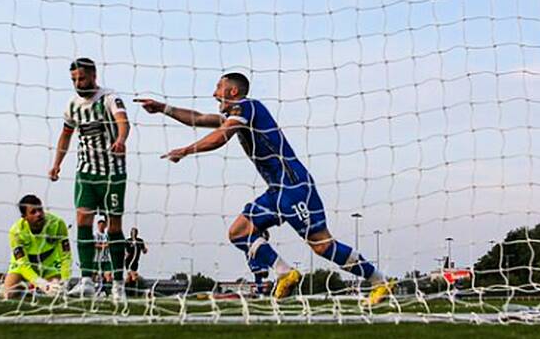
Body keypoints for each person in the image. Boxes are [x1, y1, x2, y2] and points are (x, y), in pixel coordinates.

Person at [135, 72, 393, 304]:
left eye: (218, 87)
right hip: (277, 190)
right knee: (239, 232)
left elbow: (221, 136)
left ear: (232, 91)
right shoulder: (237, 113)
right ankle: (284, 272)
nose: (214, 93)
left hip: (294, 186)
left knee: (322, 246)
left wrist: (186, 150)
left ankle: (380, 281)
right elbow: (200, 118)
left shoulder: (247, 107)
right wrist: (164, 108)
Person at [48, 58, 130, 303]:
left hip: (112, 174)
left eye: (81, 78)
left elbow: (123, 123)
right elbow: (65, 136)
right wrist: (56, 164)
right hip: (85, 172)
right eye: (73, 79)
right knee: (83, 219)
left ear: (93, 75)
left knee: (114, 227)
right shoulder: (72, 106)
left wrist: (121, 140)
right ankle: (86, 280)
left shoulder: (109, 98)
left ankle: (117, 284)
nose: (77, 83)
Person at [3, 194, 71, 299]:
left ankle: (38, 288)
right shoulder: (16, 232)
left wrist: (65, 281)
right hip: (24, 265)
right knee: (9, 294)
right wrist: (42, 284)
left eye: (40, 210)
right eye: (33, 212)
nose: (39, 214)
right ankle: (28, 287)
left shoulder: (57, 224)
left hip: (49, 264)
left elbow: (65, 257)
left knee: (56, 290)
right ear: (24, 217)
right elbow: (23, 265)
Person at [94, 218, 112, 287]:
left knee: (108, 275)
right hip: (97, 259)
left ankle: (107, 292)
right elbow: (94, 245)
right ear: (98, 225)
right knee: (95, 275)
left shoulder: (107, 235)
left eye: (103, 225)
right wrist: (103, 246)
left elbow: (110, 244)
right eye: (100, 225)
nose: (101, 226)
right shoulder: (95, 234)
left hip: (106, 259)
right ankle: (95, 290)